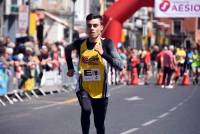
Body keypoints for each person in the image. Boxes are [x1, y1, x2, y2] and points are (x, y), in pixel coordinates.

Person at [65, 13, 123, 134]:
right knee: (86, 110)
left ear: (101, 27)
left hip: (101, 91)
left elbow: (120, 65)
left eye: (95, 25)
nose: (92, 28)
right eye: (89, 26)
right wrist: (70, 67)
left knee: (99, 124)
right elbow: (67, 49)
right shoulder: (80, 43)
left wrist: (103, 54)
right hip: (83, 87)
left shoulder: (107, 43)